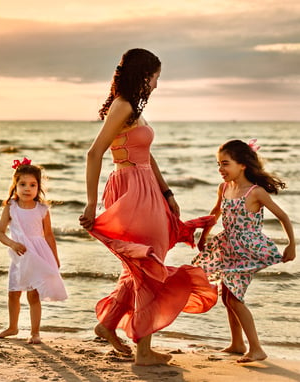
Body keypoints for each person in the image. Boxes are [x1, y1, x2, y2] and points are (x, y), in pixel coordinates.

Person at [79, 48, 218, 366]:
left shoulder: (134, 109)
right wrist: (90, 203)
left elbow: (147, 156)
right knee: (150, 265)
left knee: (142, 264)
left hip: (148, 190)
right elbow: (94, 153)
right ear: (143, 75)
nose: (156, 84)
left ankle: (108, 323)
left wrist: (167, 193)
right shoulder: (123, 106)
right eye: (155, 77)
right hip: (130, 191)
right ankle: (144, 351)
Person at [193, 139, 296, 363]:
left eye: (225, 164)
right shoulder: (225, 187)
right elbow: (215, 213)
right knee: (227, 296)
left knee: (235, 298)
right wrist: (203, 235)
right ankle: (237, 343)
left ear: (242, 165)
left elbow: (283, 216)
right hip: (227, 247)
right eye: (218, 164)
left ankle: (256, 348)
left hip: (248, 250)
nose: (220, 169)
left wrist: (291, 244)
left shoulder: (255, 192)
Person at [0, 157, 68, 344]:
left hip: (38, 255)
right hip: (20, 256)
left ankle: (35, 332)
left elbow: (49, 235)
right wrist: (12, 244)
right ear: (15, 185)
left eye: (32, 184)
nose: (27, 188)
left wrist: (54, 256)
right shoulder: (11, 207)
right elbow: (0, 233)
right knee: (13, 292)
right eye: (22, 184)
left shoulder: (42, 209)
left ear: (38, 187)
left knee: (33, 294)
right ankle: (13, 327)